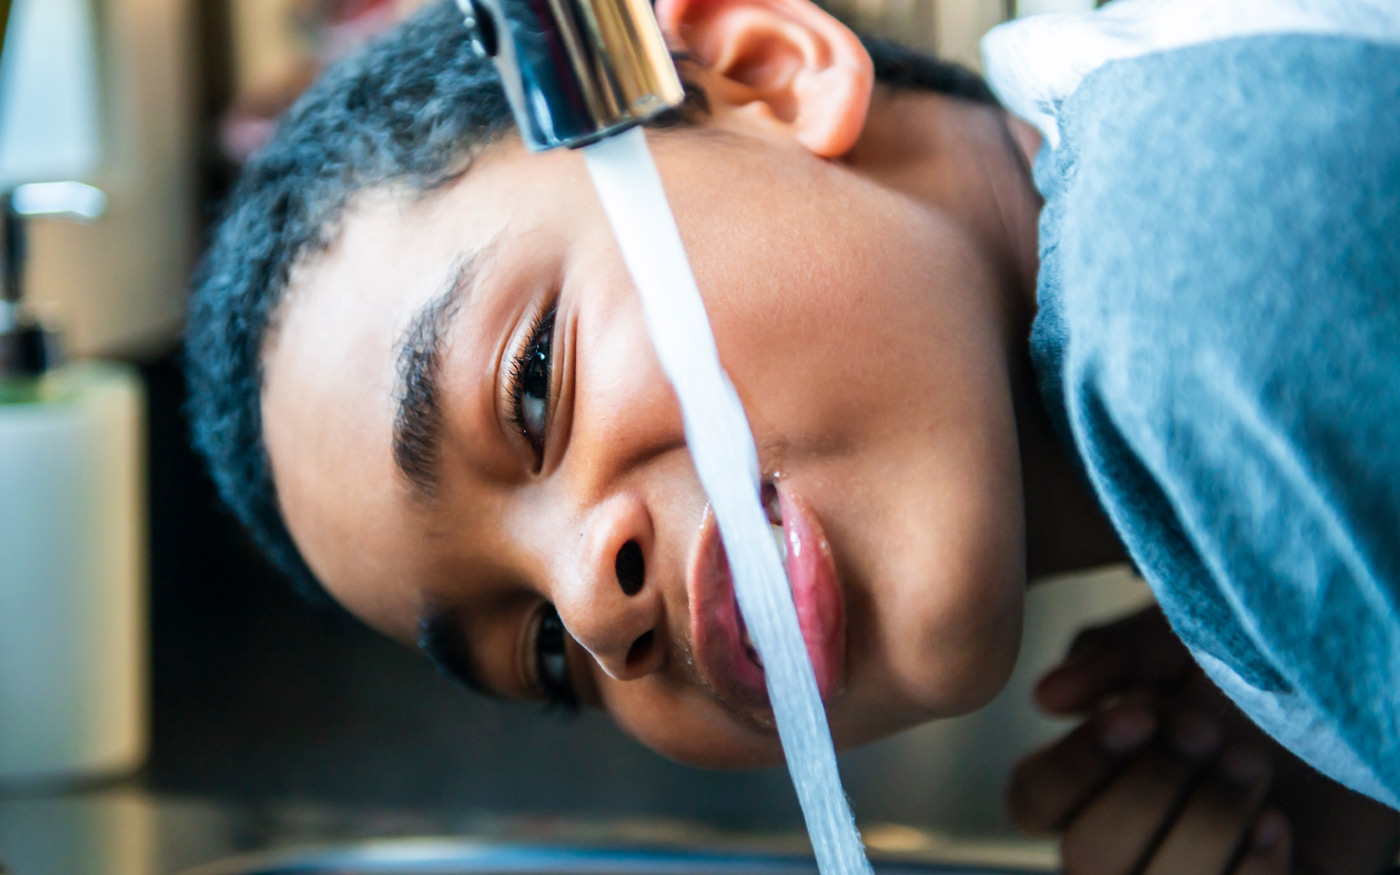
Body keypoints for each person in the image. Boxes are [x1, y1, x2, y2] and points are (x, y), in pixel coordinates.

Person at [184, 0, 1400, 870]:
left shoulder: (1190, 283)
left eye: (535, 384)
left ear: (765, 74)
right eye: (546, 654)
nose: (595, 610)